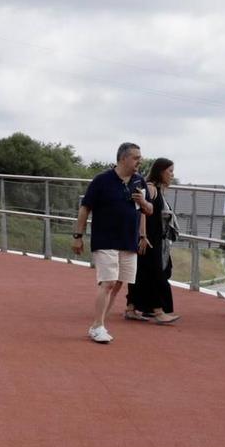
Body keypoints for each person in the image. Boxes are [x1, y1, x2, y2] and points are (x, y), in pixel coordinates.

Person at [73, 142, 151, 343]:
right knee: (107, 282)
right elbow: (85, 208)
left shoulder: (139, 181)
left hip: (128, 240)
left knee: (117, 284)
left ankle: (98, 325)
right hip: (105, 239)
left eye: (139, 158)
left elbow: (149, 210)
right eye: (135, 158)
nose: (139, 161)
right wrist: (78, 236)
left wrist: (142, 202)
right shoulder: (102, 180)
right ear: (123, 158)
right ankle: (98, 326)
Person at [127, 157, 179, 324]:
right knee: (156, 274)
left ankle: (131, 308)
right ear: (161, 171)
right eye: (169, 171)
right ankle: (158, 312)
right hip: (148, 238)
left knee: (141, 273)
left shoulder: (156, 189)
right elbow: (142, 210)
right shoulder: (151, 188)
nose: (172, 174)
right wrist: (143, 236)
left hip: (152, 237)